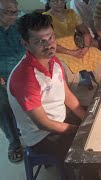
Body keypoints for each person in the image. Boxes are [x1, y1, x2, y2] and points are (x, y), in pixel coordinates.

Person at [7, 12, 99, 179]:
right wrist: (79, 131)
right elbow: (44, 124)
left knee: (98, 116)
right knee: (88, 150)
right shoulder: (25, 78)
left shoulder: (53, 61)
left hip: (60, 118)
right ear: (25, 44)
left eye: (51, 38)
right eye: (39, 41)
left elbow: (67, 96)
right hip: (42, 136)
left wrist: (87, 120)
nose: (49, 45)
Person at [44, 0, 101, 92]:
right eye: (55, 1)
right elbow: (48, 41)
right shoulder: (46, 17)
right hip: (57, 50)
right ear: (49, 3)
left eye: (61, 1)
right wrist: (71, 52)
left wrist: (85, 48)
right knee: (68, 69)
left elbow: (85, 32)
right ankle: (71, 95)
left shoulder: (71, 13)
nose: (59, 3)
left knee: (96, 54)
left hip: (75, 47)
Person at [0, 0, 24, 163]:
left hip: (23, 69)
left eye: (16, 11)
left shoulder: (19, 26)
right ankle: (14, 143)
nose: (14, 16)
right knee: (3, 105)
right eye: (9, 12)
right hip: (3, 75)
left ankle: (38, 135)